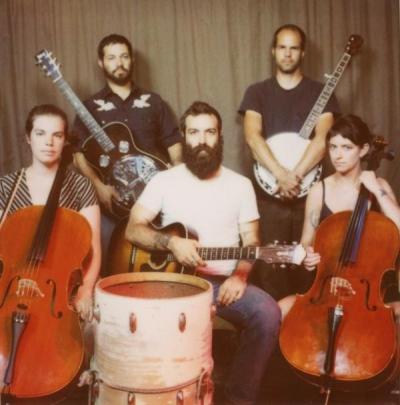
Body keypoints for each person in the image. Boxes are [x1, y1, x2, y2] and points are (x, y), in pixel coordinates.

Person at [125, 101, 281, 405]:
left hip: (220, 285)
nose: (202, 140)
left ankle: (238, 398)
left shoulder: (240, 185)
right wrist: (171, 244)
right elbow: (133, 229)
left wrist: (240, 275)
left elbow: (252, 239)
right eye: (194, 132)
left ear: (219, 136)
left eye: (210, 132)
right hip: (173, 283)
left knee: (268, 313)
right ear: (184, 136)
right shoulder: (164, 181)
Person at [0, 104, 101, 403]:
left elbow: (94, 248)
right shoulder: (7, 186)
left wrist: (85, 290)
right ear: (27, 137)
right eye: (41, 133)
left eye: (57, 135)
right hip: (13, 286)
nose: (49, 142)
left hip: (61, 291)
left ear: (65, 140)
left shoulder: (80, 186)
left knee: (94, 330)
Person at [238, 24, 340, 301]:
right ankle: (273, 326)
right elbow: (252, 137)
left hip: (310, 196)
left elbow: (323, 139)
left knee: (309, 267)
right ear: (273, 51)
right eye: (282, 47)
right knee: (270, 269)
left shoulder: (320, 92)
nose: (287, 53)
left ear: (302, 53)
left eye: (293, 48)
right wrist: (281, 175)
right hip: (269, 196)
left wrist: (294, 176)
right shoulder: (257, 92)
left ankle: (305, 327)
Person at [72, 34, 182, 272]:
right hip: (111, 206)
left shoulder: (154, 102)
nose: (119, 63)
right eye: (111, 58)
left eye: (123, 56)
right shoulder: (89, 107)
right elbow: (77, 154)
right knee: (107, 266)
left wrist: (177, 174)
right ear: (101, 63)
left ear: (132, 60)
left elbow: (174, 144)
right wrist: (98, 187)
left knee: (154, 268)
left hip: (154, 207)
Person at [280, 114, 400, 318]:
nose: (338, 155)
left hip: (371, 291)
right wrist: (307, 255)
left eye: (347, 147)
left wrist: (376, 189)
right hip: (329, 284)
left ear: (363, 150)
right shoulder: (319, 190)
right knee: (279, 310)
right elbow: (306, 241)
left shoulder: (379, 187)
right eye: (333, 147)